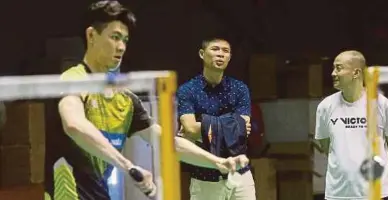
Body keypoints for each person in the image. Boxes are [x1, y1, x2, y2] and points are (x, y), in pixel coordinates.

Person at [44, 2, 247, 200]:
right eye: (114, 37)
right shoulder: (74, 79)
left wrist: (218, 162)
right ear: (91, 36)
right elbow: (74, 124)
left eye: (125, 39)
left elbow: (167, 142)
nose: (121, 47)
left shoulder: (125, 100)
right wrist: (128, 166)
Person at [314, 50, 388, 200]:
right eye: (334, 68)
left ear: (356, 73)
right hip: (338, 194)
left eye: (339, 68)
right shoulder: (325, 106)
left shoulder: (382, 104)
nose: (333, 73)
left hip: (375, 193)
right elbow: (325, 145)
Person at [177, 37, 256, 200]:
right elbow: (190, 129)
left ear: (230, 57)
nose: (220, 54)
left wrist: (204, 127)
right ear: (201, 53)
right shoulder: (187, 90)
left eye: (225, 51)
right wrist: (231, 125)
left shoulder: (240, 89)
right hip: (204, 176)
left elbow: (243, 129)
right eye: (215, 49)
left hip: (241, 174)